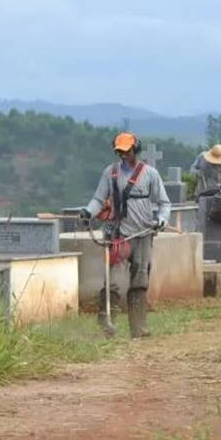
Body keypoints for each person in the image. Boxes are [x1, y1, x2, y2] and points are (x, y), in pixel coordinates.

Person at [79, 132, 171, 338]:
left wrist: (161, 220)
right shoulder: (110, 173)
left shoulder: (150, 174)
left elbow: (164, 203)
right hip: (118, 235)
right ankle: (106, 323)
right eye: (119, 151)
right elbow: (98, 199)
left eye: (126, 151)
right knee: (111, 279)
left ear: (135, 149)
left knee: (139, 279)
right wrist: (88, 211)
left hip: (142, 233)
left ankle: (138, 327)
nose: (122, 155)